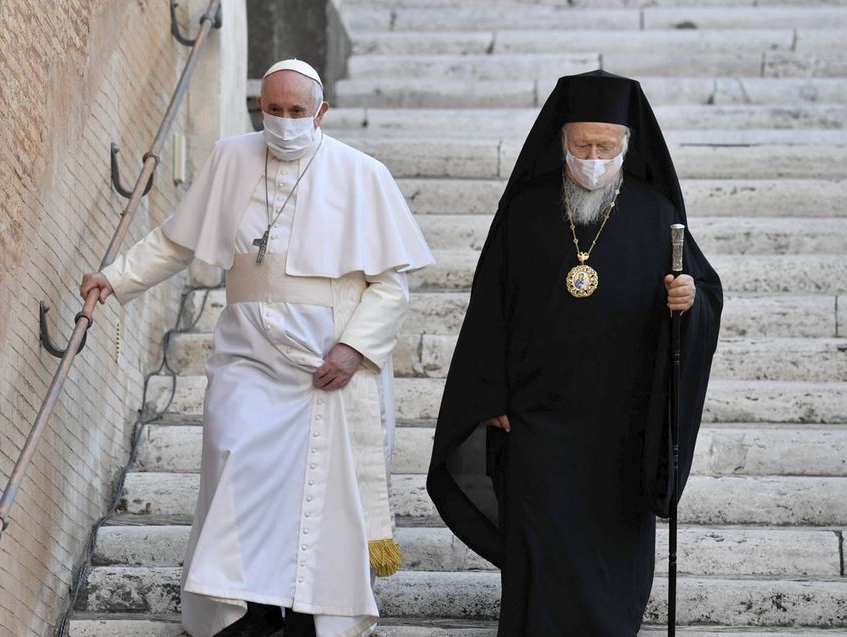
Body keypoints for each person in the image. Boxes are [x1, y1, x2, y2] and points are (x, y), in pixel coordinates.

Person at [81, 59, 433, 637]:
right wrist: (115, 279)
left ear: (321, 113)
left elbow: (391, 286)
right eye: (274, 110)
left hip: (322, 359)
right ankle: (240, 606)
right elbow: (176, 241)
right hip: (247, 351)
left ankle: (304, 612)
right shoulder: (231, 158)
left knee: (312, 492)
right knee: (235, 459)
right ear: (259, 107)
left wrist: (352, 350)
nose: (285, 122)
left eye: (298, 112)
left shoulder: (360, 172)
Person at [426, 70, 723, 636]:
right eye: (581, 146)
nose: (592, 159)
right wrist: (491, 394)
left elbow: (701, 289)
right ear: (561, 142)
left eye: (604, 148)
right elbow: (489, 306)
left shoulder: (657, 212)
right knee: (538, 552)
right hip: (536, 419)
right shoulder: (525, 212)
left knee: (612, 558)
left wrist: (690, 302)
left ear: (626, 146)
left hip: (623, 424)